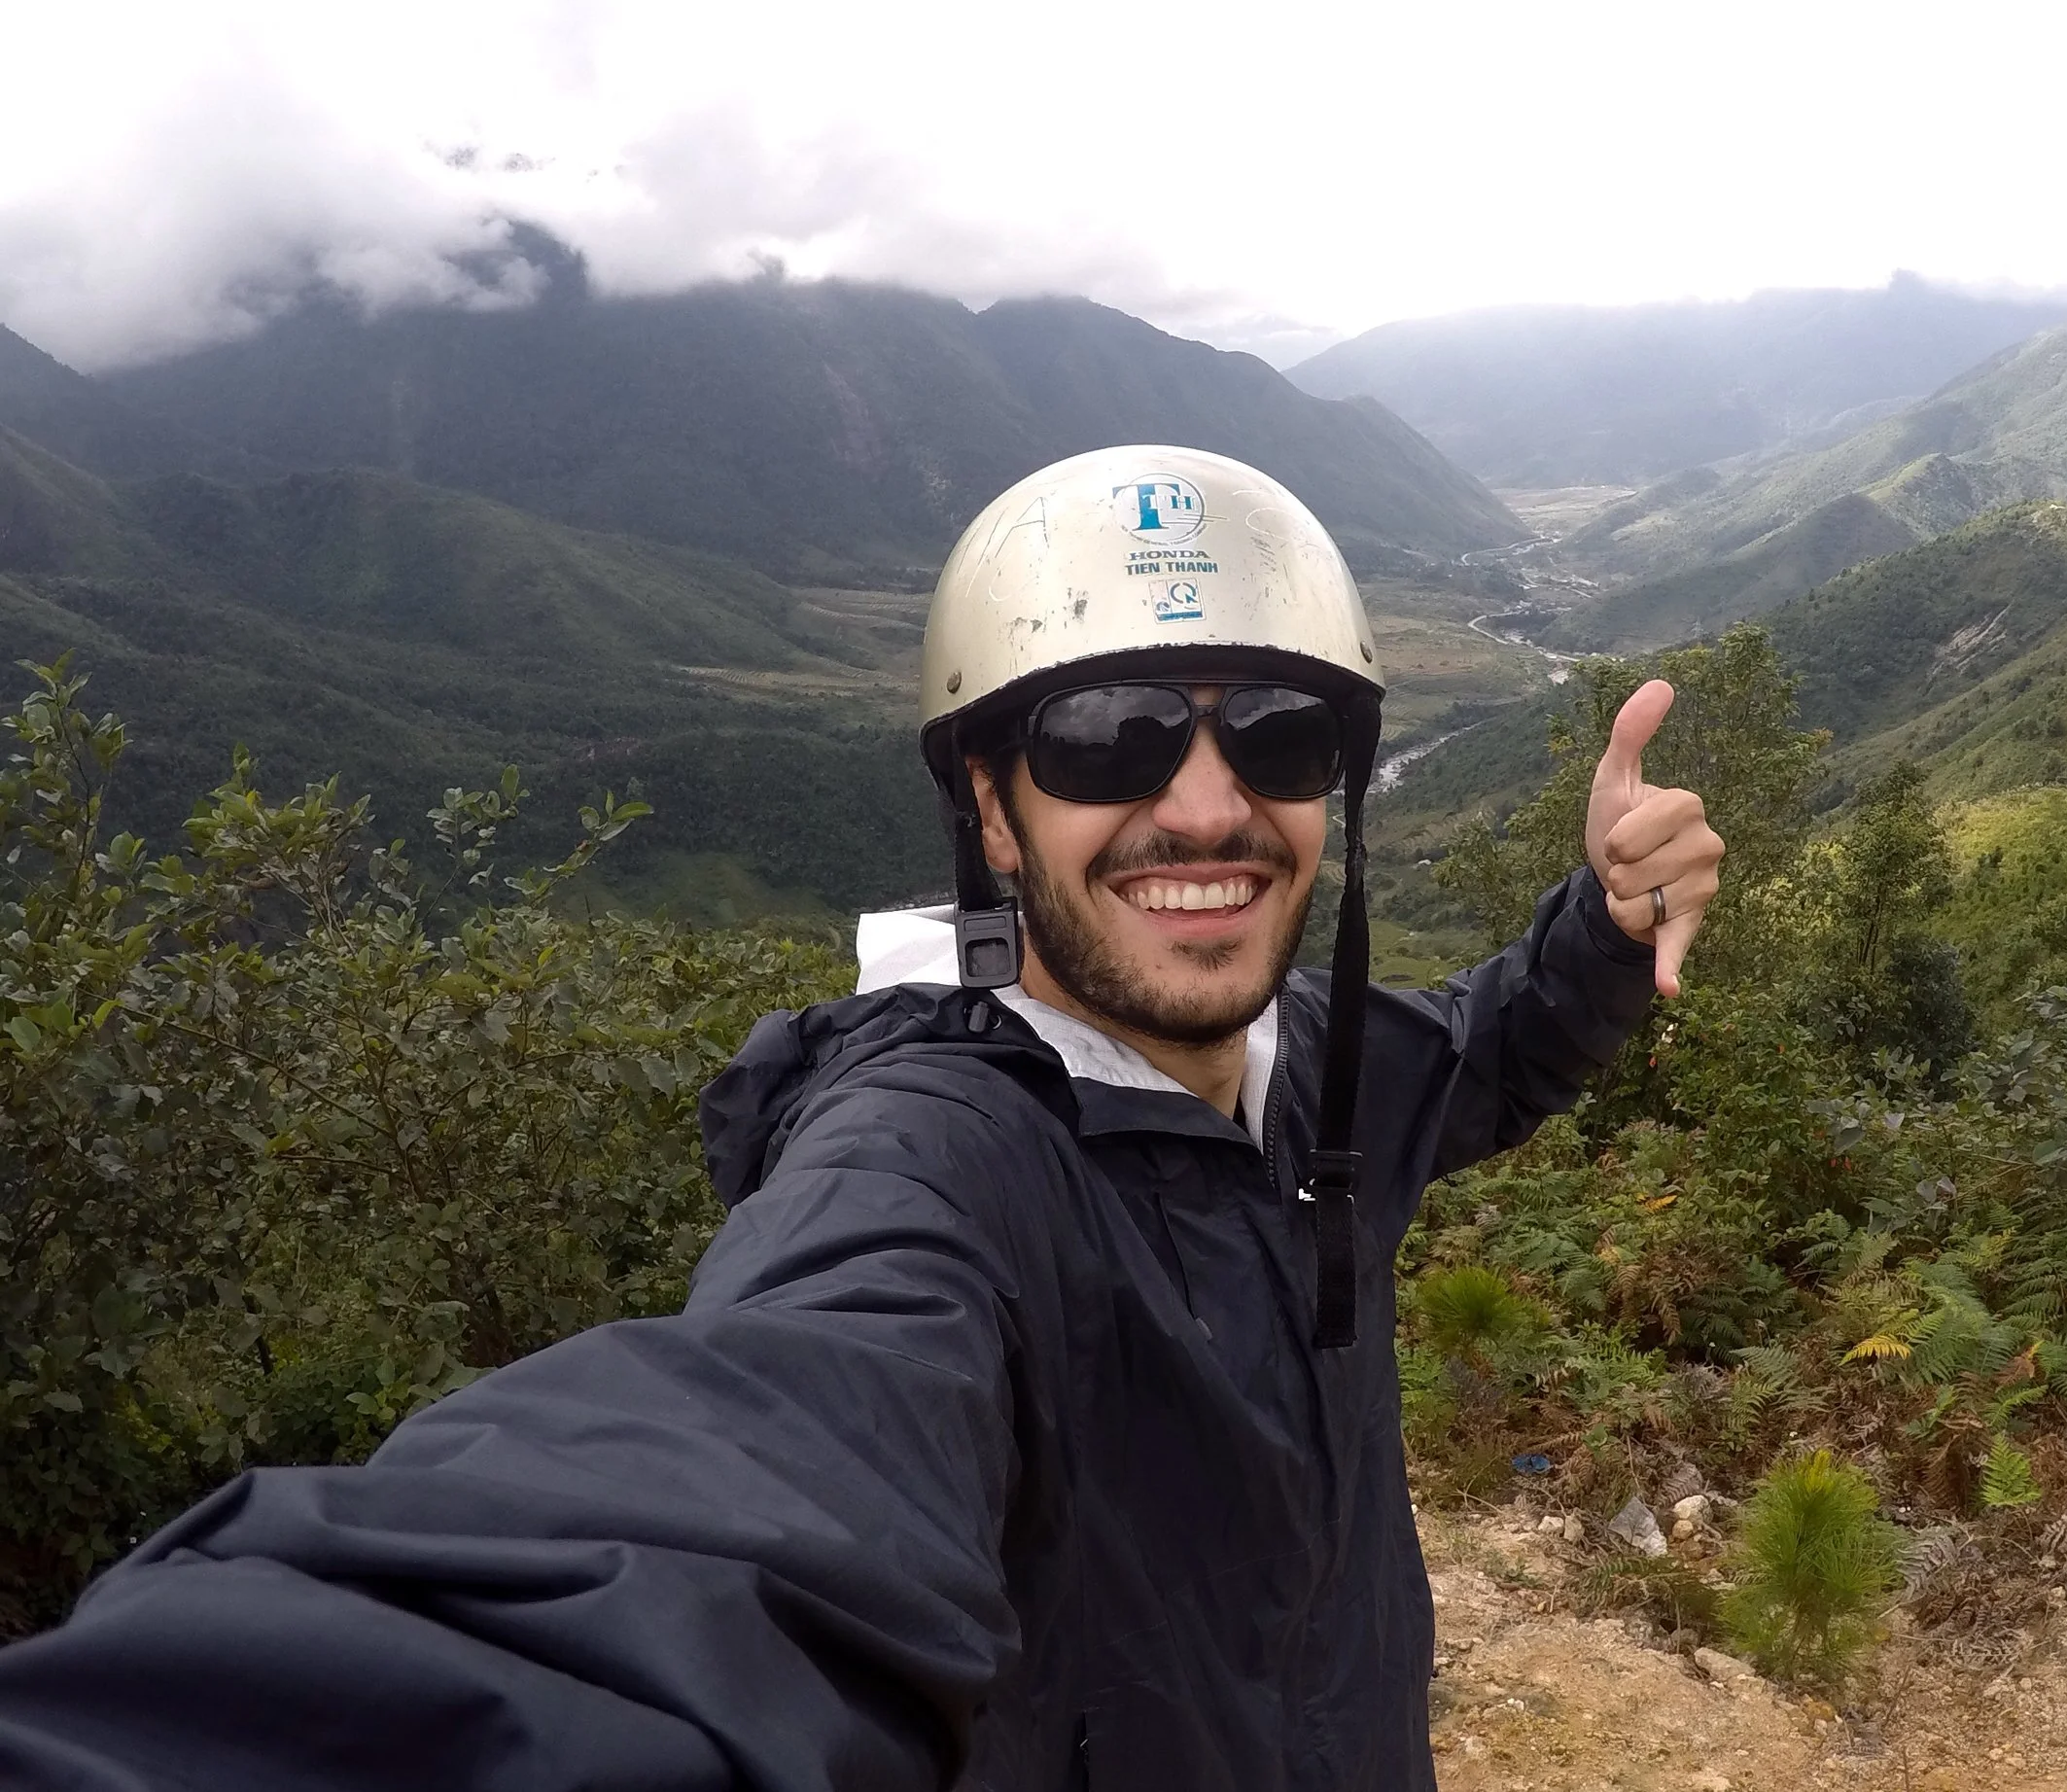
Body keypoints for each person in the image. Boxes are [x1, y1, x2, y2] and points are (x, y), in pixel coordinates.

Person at [0, 445, 1723, 1790]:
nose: (1207, 806)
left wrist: (1604, 921)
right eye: (1107, 736)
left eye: (1277, 735)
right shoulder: (936, 1161)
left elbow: (1491, 1050)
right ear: (992, 805)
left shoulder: (1318, 1069)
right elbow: (755, 1473)